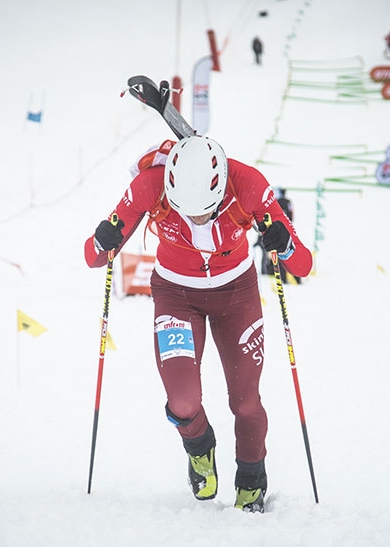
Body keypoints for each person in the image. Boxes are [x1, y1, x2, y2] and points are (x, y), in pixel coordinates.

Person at [83, 136, 313, 513]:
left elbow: (302, 264)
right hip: (176, 294)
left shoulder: (249, 184)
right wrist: (102, 238)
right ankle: (199, 449)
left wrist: (283, 244)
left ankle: (251, 478)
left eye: (206, 210)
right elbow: (94, 256)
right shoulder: (149, 186)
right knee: (183, 401)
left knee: (245, 401)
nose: (197, 219)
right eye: (186, 211)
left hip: (237, 294)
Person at [257, 188, 302, 283]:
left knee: (279, 254)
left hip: (275, 230)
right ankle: (290, 278)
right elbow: (291, 215)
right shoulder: (285, 201)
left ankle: (277, 275)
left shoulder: (276, 202)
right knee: (285, 253)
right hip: (283, 229)